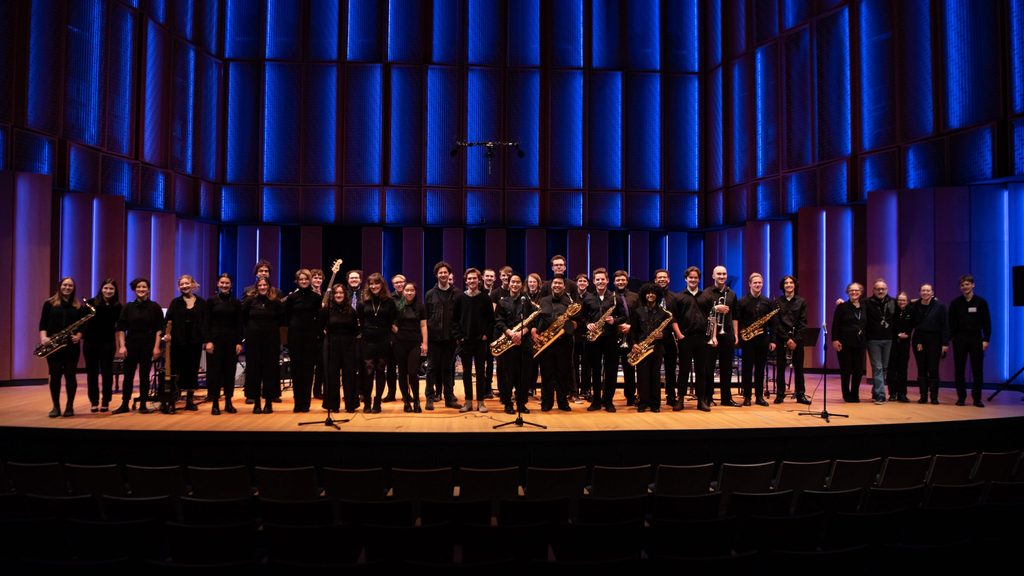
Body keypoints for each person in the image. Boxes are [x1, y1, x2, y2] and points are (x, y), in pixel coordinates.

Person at [114, 278, 164, 414]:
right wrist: (122, 346)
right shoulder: (128, 307)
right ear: (134, 290)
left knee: (144, 375)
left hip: (148, 344)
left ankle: (143, 404)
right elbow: (121, 328)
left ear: (148, 289)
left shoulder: (155, 307)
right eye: (138, 287)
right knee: (128, 375)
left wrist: (156, 347)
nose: (141, 289)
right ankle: (124, 404)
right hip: (131, 343)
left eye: (144, 287)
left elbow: (160, 329)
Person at [39, 277, 87, 417]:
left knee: (70, 376)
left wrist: (79, 335)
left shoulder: (78, 306)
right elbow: (43, 323)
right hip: (54, 344)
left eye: (70, 285)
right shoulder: (49, 304)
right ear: (60, 286)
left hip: (71, 345)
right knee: (54, 376)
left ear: (74, 288)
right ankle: (56, 406)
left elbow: (82, 325)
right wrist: (43, 338)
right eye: (65, 285)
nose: (67, 287)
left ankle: (69, 406)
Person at [163, 275, 207, 412]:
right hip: (178, 341)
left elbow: (205, 323)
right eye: (182, 284)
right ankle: (173, 401)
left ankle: (189, 400)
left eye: (187, 283)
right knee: (177, 371)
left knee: (192, 370)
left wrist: (205, 339)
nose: (184, 286)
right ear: (179, 287)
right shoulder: (175, 302)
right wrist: (167, 335)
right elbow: (168, 320)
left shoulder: (201, 303)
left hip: (194, 342)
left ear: (193, 284)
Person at [583, 268, 625, 412]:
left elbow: (624, 316)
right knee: (595, 370)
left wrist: (615, 320)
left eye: (603, 279)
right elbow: (582, 317)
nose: (600, 282)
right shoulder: (588, 298)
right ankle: (595, 401)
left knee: (611, 370)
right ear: (593, 282)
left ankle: (608, 401)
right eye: (597, 279)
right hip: (594, 339)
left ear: (607, 280)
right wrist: (587, 324)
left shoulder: (615, 297)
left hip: (610, 338)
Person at [629, 283, 674, 413]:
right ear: (644, 295)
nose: (650, 295)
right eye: (648, 293)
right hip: (641, 348)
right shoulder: (638, 311)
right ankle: (643, 403)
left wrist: (663, 334)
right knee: (642, 377)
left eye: (653, 293)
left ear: (657, 295)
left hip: (657, 348)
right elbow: (633, 331)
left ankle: (655, 404)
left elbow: (668, 331)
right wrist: (634, 344)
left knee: (655, 376)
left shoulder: (664, 313)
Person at [454, 268, 494, 413]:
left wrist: (485, 335)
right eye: (469, 279)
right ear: (466, 281)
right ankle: (468, 401)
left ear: (479, 280)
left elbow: (491, 320)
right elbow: (455, 320)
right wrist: (459, 336)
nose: (471, 281)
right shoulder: (459, 298)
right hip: (465, 341)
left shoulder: (485, 298)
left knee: (480, 372)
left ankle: (481, 402)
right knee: (466, 373)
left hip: (480, 341)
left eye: (474, 278)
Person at [494, 274, 535, 414]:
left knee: (524, 375)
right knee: (507, 375)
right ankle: (508, 404)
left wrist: (522, 333)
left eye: (518, 282)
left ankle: (521, 403)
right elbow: (498, 321)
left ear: (521, 284)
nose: (515, 284)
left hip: (524, 343)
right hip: (508, 341)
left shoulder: (526, 301)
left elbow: (532, 321)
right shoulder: (502, 302)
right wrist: (510, 333)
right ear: (508, 283)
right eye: (513, 282)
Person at [243, 277, 284, 413]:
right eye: (260, 285)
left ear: (269, 286)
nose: (262, 287)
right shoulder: (250, 302)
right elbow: (243, 319)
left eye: (264, 285)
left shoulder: (276, 303)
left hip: (271, 341)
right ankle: (256, 403)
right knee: (254, 371)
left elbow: (281, 320)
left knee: (270, 371)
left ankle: (268, 402)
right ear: (256, 287)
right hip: (253, 341)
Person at [534, 274, 575, 412]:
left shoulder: (570, 303)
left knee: (563, 373)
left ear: (564, 286)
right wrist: (535, 332)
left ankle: (563, 403)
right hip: (546, 343)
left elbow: (576, 323)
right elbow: (537, 318)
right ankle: (546, 402)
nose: (557, 285)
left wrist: (568, 326)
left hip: (564, 343)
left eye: (560, 284)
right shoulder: (543, 301)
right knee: (547, 374)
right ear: (551, 285)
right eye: (555, 283)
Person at [948, 274, 991, 407]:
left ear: (973, 285)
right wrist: (951, 338)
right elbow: (951, 323)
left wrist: (986, 339)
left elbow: (987, 322)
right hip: (959, 339)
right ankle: (961, 397)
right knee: (959, 369)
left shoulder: (981, 302)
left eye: (967, 284)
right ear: (960, 287)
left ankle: (977, 399)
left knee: (977, 369)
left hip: (976, 339)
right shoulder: (955, 303)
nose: (965, 287)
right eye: (962, 285)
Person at [357, 273, 397, 413]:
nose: (374, 286)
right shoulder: (363, 302)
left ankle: (377, 402)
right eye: (371, 284)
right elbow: (361, 321)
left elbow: (392, 320)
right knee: (368, 372)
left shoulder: (390, 302)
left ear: (382, 285)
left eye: (376, 283)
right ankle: (367, 401)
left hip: (383, 339)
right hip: (368, 340)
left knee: (380, 371)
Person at [204, 273, 243, 415]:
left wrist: (239, 342)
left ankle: (228, 402)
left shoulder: (236, 302)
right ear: (218, 284)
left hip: (231, 342)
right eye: (222, 283)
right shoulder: (211, 301)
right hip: (215, 342)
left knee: (229, 372)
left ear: (231, 285)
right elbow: (206, 322)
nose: (224, 285)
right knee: (215, 372)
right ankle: (215, 403)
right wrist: (208, 341)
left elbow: (239, 324)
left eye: (227, 283)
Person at [424, 262, 461, 410]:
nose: (443, 275)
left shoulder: (457, 293)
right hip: (434, 338)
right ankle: (429, 398)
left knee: (448, 369)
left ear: (449, 274)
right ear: (436, 275)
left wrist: (458, 335)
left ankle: (449, 399)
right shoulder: (429, 294)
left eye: (445, 272)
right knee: (431, 369)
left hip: (451, 338)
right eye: (440, 273)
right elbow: (425, 318)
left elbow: (460, 316)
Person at [770, 275, 811, 405]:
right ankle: (780, 394)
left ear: (794, 285)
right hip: (782, 339)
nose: (788, 285)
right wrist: (787, 339)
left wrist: (795, 340)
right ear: (783, 286)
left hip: (797, 340)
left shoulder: (801, 301)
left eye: (791, 282)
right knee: (780, 368)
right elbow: (776, 323)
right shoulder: (777, 302)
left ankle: (800, 394)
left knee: (799, 368)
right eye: (786, 283)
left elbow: (803, 322)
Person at [284, 269, 320, 413]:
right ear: (297, 281)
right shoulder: (292, 298)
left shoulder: (316, 298)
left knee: (308, 370)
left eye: (306, 279)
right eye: (301, 279)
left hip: (310, 337)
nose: (304, 281)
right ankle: (297, 402)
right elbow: (287, 317)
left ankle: (306, 403)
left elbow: (319, 318)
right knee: (296, 369)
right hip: (295, 336)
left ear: (310, 280)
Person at [704, 266, 740, 407]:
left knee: (727, 368)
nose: (721, 276)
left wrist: (736, 334)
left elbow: (735, 316)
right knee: (709, 367)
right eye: (719, 274)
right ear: (713, 276)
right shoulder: (706, 293)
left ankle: (727, 398)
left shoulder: (731, 294)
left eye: (724, 274)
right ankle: (708, 397)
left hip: (727, 334)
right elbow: (702, 312)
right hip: (711, 335)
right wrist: (715, 308)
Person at [83, 278, 121, 413]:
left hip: (108, 343)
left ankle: (105, 401)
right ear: (101, 289)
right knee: (91, 373)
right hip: (90, 342)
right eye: (106, 288)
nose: (108, 291)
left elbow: (119, 326)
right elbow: (82, 322)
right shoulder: (90, 303)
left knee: (107, 373)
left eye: (111, 289)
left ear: (115, 291)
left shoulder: (117, 306)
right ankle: (93, 401)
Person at [675, 266, 709, 411]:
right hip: (685, 338)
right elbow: (674, 318)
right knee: (684, 370)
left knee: (701, 370)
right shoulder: (679, 297)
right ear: (686, 279)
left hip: (702, 338)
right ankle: (680, 399)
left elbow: (711, 318)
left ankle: (701, 401)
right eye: (691, 277)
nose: (693, 280)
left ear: (698, 279)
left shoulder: (705, 297)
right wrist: (679, 335)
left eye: (696, 278)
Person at [322, 283, 359, 413]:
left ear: (345, 295)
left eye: (341, 293)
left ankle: (350, 404)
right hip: (332, 344)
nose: (338, 295)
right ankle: (333, 405)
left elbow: (356, 329)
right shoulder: (327, 310)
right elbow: (321, 326)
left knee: (349, 375)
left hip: (349, 344)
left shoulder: (352, 311)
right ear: (333, 295)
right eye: (336, 293)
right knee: (332, 375)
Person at [736, 272, 772, 406]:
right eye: (755, 282)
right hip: (748, 339)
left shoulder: (768, 302)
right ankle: (747, 397)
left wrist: (772, 340)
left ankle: (759, 396)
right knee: (747, 368)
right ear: (750, 284)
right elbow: (738, 321)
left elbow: (772, 322)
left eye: (760, 282)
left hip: (762, 339)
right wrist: (743, 334)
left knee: (760, 368)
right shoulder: (742, 302)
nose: (758, 285)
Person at [911, 284, 949, 404]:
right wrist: (913, 301)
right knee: (921, 368)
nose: (925, 292)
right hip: (919, 339)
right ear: (919, 292)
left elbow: (945, 325)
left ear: (932, 292)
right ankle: (923, 396)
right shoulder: (915, 305)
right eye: (923, 290)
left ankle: (934, 397)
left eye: (928, 290)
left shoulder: (940, 306)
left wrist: (945, 343)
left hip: (935, 339)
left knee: (933, 368)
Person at [392, 282, 427, 412]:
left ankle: (416, 400)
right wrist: (395, 330)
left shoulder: (420, 306)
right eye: (407, 290)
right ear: (403, 292)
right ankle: (406, 401)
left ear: (415, 292)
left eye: (412, 290)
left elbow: (423, 326)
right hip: (399, 343)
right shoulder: (397, 306)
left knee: (412, 372)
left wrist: (425, 343)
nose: (409, 293)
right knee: (402, 373)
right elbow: (390, 320)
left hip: (414, 343)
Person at [831, 282, 868, 402]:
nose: (854, 292)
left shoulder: (865, 306)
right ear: (848, 292)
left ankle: (855, 394)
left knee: (858, 371)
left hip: (860, 342)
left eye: (856, 290)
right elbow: (835, 325)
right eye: (851, 290)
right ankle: (846, 395)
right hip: (844, 342)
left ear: (861, 292)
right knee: (846, 370)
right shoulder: (842, 306)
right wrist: (835, 340)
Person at [653, 269, 684, 407]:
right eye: (659, 277)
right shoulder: (650, 296)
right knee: (653, 368)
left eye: (664, 277)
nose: (662, 279)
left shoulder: (675, 297)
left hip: (669, 336)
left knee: (671, 368)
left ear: (669, 280)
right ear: (655, 280)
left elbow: (677, 317)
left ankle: (671, 395)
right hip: (653, 337)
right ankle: (652, 397)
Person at [865, 279, 896, 404]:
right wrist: (841, 302)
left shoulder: (893, 302)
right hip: (873, 340)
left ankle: (876, 391)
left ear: (887, 290)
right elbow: (853, 305)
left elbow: (907, 306)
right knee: (877, 367)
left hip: (888, 339)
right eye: (878, 289)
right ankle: (881, 395)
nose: (881, 291)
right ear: (874, 290)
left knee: (884, 368)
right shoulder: (867, 302)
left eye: (883, 289)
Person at [613, 270, 639, 406]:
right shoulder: (610, 296)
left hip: (630, 336)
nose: (620, 282)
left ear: (627, 281)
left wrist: (631, 326)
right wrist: (617, 325)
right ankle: (608, 397)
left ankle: (630, 396)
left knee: (630, 367)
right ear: (614, 282)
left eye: (623, 280)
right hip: (615, 336)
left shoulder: (635, 297)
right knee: (610, 368)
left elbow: (639, 316)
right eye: (618, 280)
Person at [889, 291, 914, 403]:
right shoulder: (893, 311)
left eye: (904, 300)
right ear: (896, 301)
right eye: (899, 300)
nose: (901, 302)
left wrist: (907, 334)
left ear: (907, 301)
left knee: (903, 369)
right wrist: (897, 335)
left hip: (905, 344)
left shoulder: (911, 311)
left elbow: (914, 325)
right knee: (892, 369)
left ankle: (902, 394)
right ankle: (892, 393)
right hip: (893, 343)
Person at [572, 273, 591, 402]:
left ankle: (585, 389)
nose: (582, 283)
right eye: (580, 281)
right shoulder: (572, 297)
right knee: (573, 363)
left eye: (584, 281)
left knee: (586, 364)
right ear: (576, 283)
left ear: (588, 284)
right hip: (573, 334)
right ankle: (573, 390)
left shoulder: (591, 297)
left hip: (586, 333)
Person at [310, 268, 326, 401]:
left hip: (322, 333)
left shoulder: (326, 294)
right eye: (315, 277)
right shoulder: (305, 294)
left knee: (321, 364)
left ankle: (317, 390)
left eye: (320, 278)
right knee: (309, 364)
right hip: (310, 332)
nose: (317, 280)